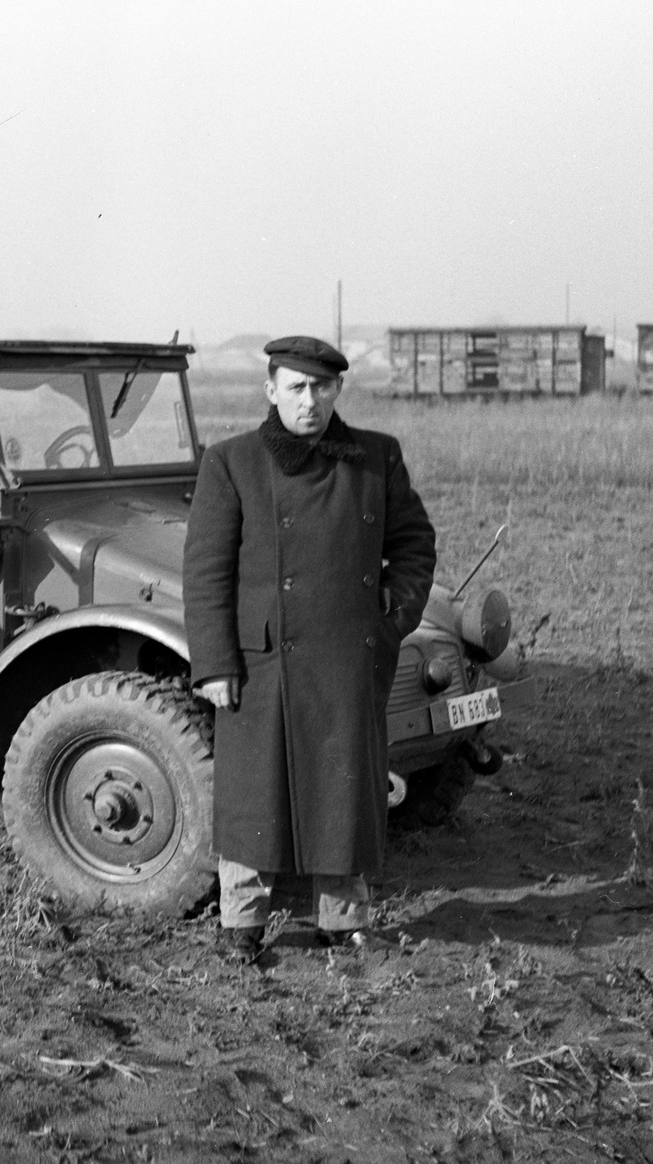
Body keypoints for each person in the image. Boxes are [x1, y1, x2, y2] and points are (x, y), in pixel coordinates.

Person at [183, 336, 435, 961]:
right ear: (270, 390)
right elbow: (206, 573)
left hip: (347, 659)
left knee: (342, 793)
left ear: (338, 391)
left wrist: (388, 622)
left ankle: (342, 921)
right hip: (262, 664)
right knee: (253, 796)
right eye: (295, 387)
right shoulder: (231, 462)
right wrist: (215, 663)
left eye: (322, 387)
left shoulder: (377, 458)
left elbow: (414, 545)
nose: (309, 401)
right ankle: (242, 923)